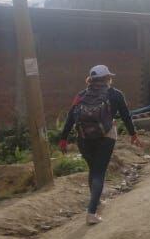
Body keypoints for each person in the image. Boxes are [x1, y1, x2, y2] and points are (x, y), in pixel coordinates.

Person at [58, 65, 140, 225]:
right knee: (99, 173)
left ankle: (96, 203)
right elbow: (126, 116)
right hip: (106, 137)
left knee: (93, 170)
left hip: (83, 138)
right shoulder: (115, 94)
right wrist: (133, 134)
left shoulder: (81, 95)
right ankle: (92, 212)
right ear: (107, 78)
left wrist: (63, 138)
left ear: (91, 79)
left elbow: (70, 117)